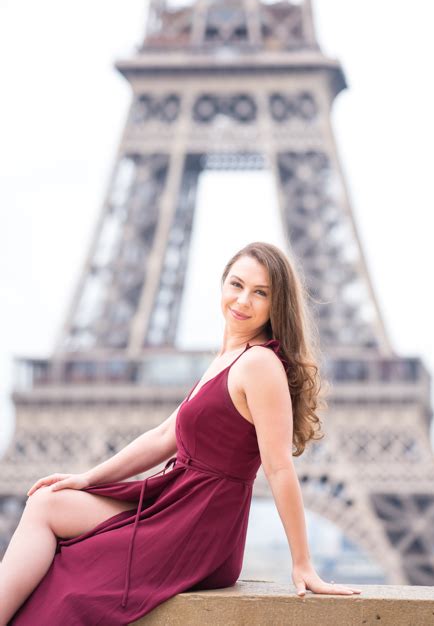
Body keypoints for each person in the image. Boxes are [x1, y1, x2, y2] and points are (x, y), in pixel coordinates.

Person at [0, 241, 361, 625]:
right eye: (236, 284)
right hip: (176, 501)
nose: (242, 300)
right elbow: (161, 437)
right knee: (46, 502)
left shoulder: (259, 363)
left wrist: (302, 563)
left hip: (199, 525)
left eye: (260, 293)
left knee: (62, 546)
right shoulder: (227, 357)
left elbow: (278, 469)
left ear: (277, 305)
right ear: (222, 285)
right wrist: (86, 478)